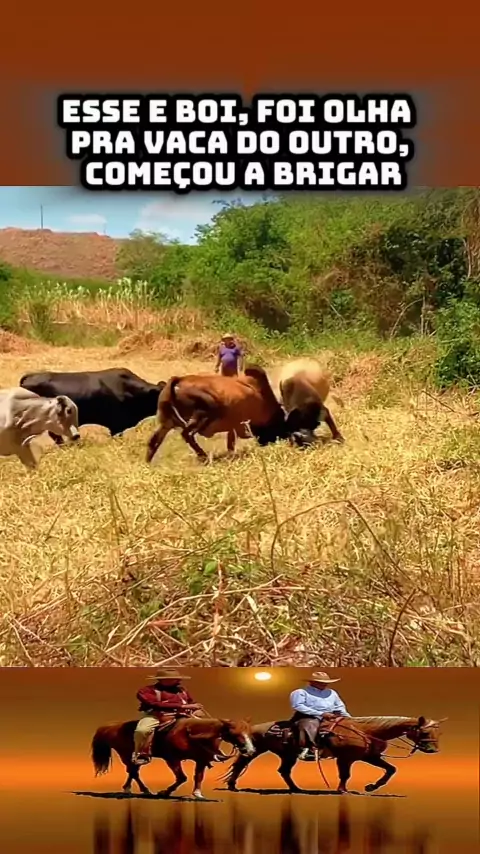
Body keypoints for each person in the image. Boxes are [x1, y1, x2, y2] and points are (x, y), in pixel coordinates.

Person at [132, 669, 204, 766]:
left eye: (177, 679)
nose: (178, 681)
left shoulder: (182, 691)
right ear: (162, 680)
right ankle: (141, 753)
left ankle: (208, 751)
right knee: (143, 730)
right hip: (156, 715)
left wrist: (196, 709)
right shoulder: (146, 691)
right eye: (173, 679)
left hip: (182, 715)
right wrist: (183, 706)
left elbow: (190, 702)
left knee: (204, 727)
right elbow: (154, 704)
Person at [289, 671, 351, 761]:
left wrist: (347, 717)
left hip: (330, 716)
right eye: (321, 682)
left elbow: (339, 706)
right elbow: (298, 706)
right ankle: (308, 749)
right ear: (312, 682)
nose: (324, 684)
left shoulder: (332, 693)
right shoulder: (300, 692)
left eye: (325, 682)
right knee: (310, 724)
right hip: (307, 716)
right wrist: (320, 713)